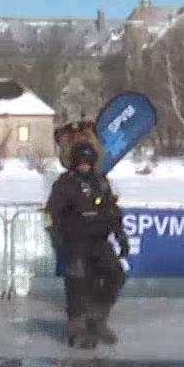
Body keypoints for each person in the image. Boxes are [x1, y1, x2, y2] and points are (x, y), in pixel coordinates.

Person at [43, 140, 128, 349]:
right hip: (75, 241)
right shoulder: (65, 183)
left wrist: (120, 235)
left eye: (87, 163)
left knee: (115, 274)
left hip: (99, 240)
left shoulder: (101, 182)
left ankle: (97, 319)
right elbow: (52, 213)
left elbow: (112, 210)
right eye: (80, 163)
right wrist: (58, 241)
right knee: (78, 281)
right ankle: (77, 327)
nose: (84, 166)